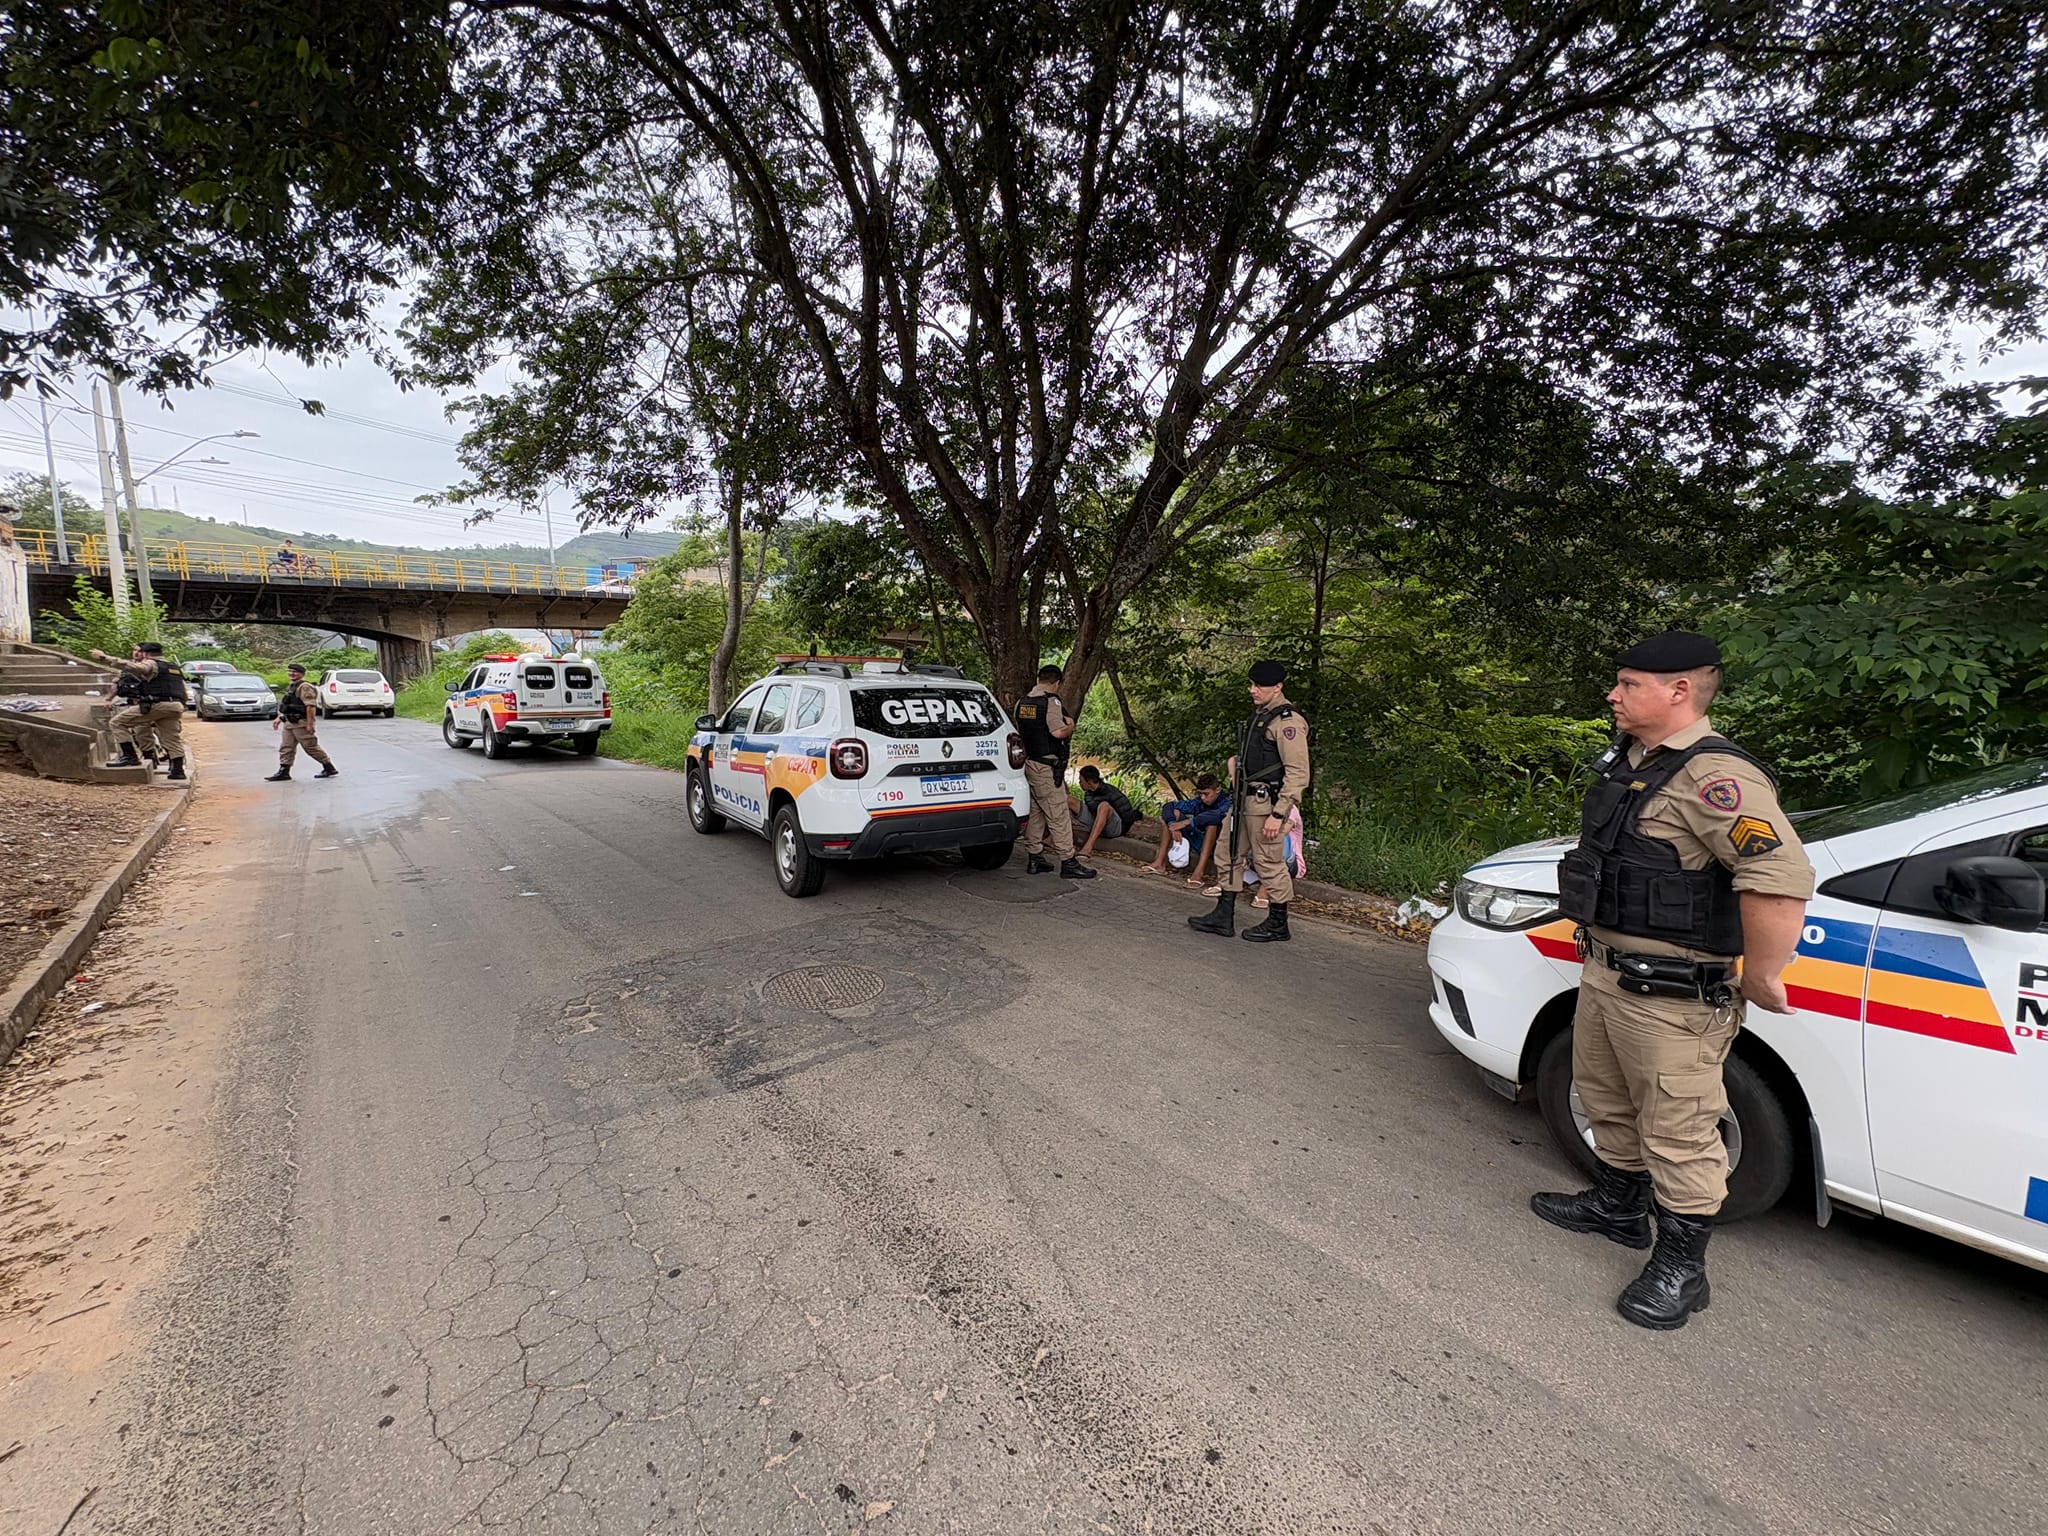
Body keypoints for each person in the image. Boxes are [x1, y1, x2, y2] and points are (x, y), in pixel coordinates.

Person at [1530, 631, 1813, 1331]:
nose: (1613, 695)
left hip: (1675, 995)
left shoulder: (1717, 778)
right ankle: (1619, 1207)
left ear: (1680, 690)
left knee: (1679, 1129)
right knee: (1605, 1098)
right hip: (1607, 973)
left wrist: (1763, 973)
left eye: (1628, 684)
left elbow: (1777, 876)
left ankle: (1682, 1269)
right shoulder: (1636, 762)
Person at [1188, 659, 1310, 942]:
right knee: (1227, 853)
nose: (1252, 690)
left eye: (1259, 685)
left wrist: (1279, 814)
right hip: (1244, 800)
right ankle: (1224, 915)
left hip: (1267, 805)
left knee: (1268, 861)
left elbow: (1298, 773)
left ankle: (1278, 922)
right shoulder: (1262, 715)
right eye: (1252, 684)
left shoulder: (1288, 722)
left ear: (1278, 687)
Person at [1012, 664, 1094, 880]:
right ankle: (1068, 861)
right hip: (1046, 766)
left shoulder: (1022, 702)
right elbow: (1057, 732)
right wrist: (1070, 726)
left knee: (1036, 811)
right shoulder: (1050, 702)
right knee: (1058, 813)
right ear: (1057, 683)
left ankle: (1035, 857)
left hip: (1028, 764)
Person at [91, 642, 188, 779]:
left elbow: (134, 667)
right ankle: (178, 771)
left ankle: (130, 757)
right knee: (172, 739)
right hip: (175, 706)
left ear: (145, 654)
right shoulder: (173, 667)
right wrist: (181, 706)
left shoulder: (151, 664)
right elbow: (183, 691)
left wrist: (104, 657)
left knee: (117, 723)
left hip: (157, 704)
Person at [1146, 773, 1230, 884]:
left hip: (1216, 846)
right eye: (1200, 794)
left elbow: (1218, 815)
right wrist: (1173, 825)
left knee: (1212, 824)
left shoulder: (1227, 802)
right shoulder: (1198, 802)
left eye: (1206, 794)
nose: (1203, 798)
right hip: (1197, 839)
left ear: (1217, 789)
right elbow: (1169, 806)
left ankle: (1199, 872)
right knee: (1174, 814)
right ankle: (1159, 863)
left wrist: (1188, 822)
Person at [268, 662, 338, 781]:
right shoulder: (292, 686)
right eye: (290, 671)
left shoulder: (305, 687)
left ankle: (328, 767)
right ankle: (284, 771)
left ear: (302, 674)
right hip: (289, 722)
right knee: (286, 747)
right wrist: (279, 718)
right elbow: (287, 705)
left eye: (295, 672)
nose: (292, 674)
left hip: (300, 722)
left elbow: (310, 707)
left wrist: (310, 724)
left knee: (310, 747)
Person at [1070, 765, 1139, 859]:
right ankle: (1054, 839)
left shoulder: (1111, 792)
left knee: (1104, 806)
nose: (1079, 783)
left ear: (1089, 782)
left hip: (1115, 828)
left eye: (1081, 781)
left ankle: (1087, 848)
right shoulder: (1089, 793)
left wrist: (1124, 830)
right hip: (1096, 821)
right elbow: (1091, 809)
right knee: (1069, 800)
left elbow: (1127, 815)